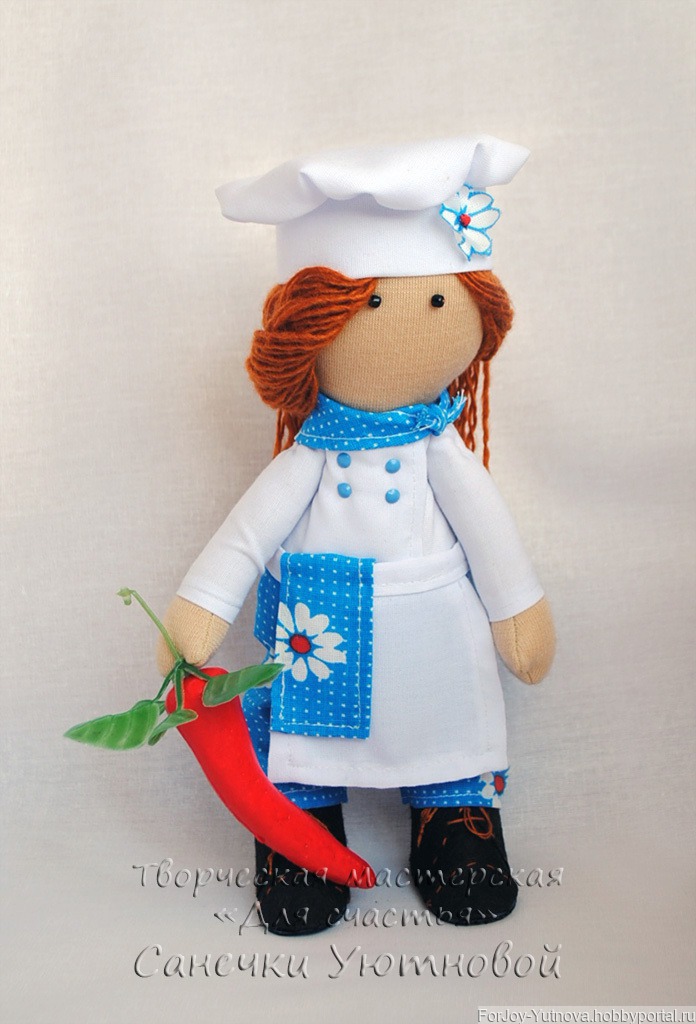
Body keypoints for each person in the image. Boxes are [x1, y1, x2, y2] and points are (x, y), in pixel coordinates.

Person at [158, 136, 556, 934]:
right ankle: (303, 827)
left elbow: (492, 539)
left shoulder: (442, 451)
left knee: (448, 723)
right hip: (323, 625)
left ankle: (455, 815)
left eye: (441, 302)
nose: (411, 326)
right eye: (373, 304)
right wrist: (197, 612)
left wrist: (519, 613)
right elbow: (245, 538)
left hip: (432, 630)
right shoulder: (307, 457)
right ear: (307, 326)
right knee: (302, 735)